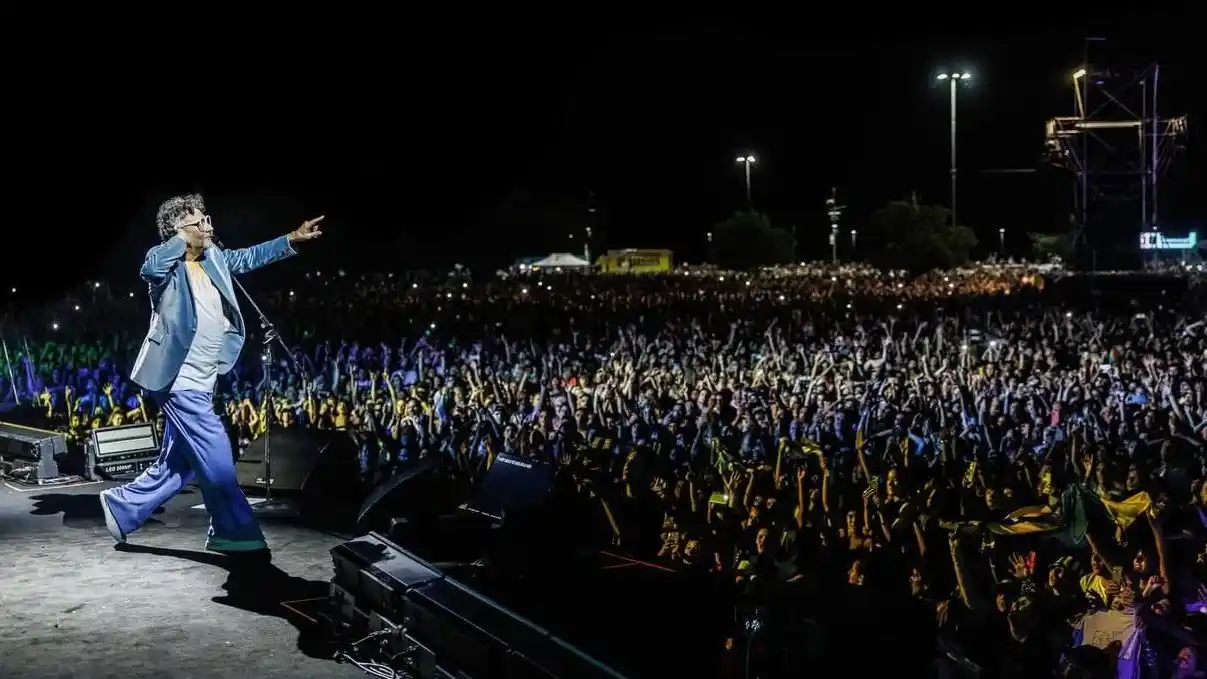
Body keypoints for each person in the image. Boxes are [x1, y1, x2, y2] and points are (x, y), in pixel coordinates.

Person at [98, 194, 324, 553]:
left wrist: (291, 239)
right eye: (201, 222)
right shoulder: (166, 267)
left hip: (203, 378)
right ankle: (234, 531)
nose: (210, 227)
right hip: (176, 377)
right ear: (179, 230)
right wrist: (182, 236)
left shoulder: (214, 257)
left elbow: (248, 257)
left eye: (208, 220)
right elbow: (150, 268)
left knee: (183, 464)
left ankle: (124, 506)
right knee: (216, 453)